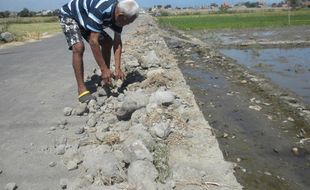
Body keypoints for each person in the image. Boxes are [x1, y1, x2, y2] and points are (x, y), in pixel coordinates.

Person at [59, 0, 139, 103]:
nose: (127, 24)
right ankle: (82, 90)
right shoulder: (101, 10)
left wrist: (118, 68)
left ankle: (105, 79)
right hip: (70, 15)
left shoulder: (120, 15)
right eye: (128, 22)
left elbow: (117, 42)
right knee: (78, 47)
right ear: (120, 15)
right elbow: (93, 41)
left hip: (87, 18)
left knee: (107, 42)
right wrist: (103, 69)